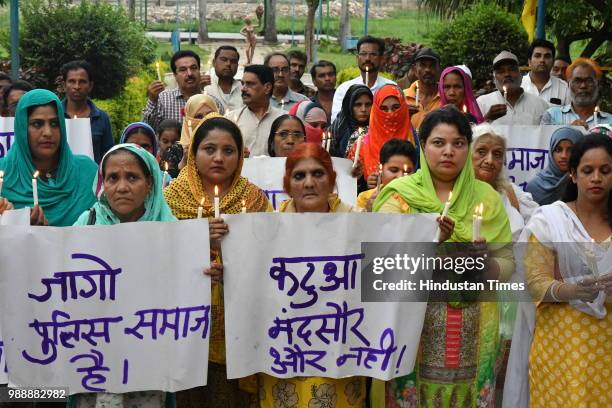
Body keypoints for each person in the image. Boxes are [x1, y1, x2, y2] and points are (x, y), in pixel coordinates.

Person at [373, 107, 513, 408]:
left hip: (475, 330)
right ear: (423, 146)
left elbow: (508, 261)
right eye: (438, 143)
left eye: (458, 143)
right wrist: (429, 243)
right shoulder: (398, 195)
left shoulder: (486, 197)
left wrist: (486, 266)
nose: (449, 151)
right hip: (413, 329)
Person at [164, 117, 271, 406]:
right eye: (209, 149)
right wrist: (197, 240)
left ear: (239, 156)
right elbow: (157, 255)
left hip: (238, 324)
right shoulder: (171, 198)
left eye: (228, 150)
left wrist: (235, 268)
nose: (218, 158)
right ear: (194, 153)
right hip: (183, 325)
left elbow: (270, 255)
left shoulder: (255, 199)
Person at [259, 143, 365, 408]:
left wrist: (432, 238)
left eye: (317, 174)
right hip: (286, 352)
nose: (308, 183)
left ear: (331, 181)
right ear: (287, 184)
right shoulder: (265, 229)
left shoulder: (359, 223)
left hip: (339, 352)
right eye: (299, 176)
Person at [70, 144, 177, 407]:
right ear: (102, 183)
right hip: (95, 357)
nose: (122, 187)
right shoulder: (87, 223)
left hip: (148, 358)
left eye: (132, 177)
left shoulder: (171, 230)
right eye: (113, 178)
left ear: (150, 182)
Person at [520, 133, 611, 407]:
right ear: (572, 174)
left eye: (605, 171)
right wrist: (570, 289)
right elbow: (534, 281)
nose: (596, 178)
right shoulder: (551, 220)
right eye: (587, 170)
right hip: (560, 346)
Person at [0, 89, 97, 226]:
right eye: (37, 124)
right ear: (22, 128)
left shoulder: (87, 171)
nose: (47, 133)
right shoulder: (3, 174)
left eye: (54, 124)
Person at [472, 123, 538, 239]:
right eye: (481, 152)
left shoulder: (511, 193)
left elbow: (539, 226)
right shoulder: (454, 194)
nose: (490, 160)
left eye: (497, 154)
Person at [349, 84, 417, 181]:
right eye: (384, 109)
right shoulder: (360, 144)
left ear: (403, 108)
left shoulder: (417, 140)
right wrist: (366, 185)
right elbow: (348, 184)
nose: (390, 113)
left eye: (396, 107)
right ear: (376, 110)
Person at [60, 60, 114, 163]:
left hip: (94, 177)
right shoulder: (54, 116)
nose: (77, 87)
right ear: (64, 85)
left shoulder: (101, 118)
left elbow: (108, 156)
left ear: (90, 86)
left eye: (82, 81)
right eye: (72, 81)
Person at [143, 50, 213, 130]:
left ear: (199, 71)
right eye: (183, 70)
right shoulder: (162, 100)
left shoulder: (212, 102)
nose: (189, 73)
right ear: (175, 75)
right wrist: (152, 101)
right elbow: (146, 129)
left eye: (193, 68)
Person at [331, 36, 396, 122]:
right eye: (363, 54)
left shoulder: (391, 87)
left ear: (381, 59)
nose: (368, 58)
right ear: (357, 58)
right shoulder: (344, 89)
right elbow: (336, 121)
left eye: (373, 54)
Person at [477, 51, 549, 125]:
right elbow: (472, 133)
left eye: (512, 70)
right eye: (501, 71)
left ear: (520, 75)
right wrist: (487, 118)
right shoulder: (482, 103)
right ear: (494, 78)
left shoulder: (540, 105)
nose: (507, 74)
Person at [225, 64, 284, 156]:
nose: (243, 89)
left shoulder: (283, 119)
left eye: (250, 84)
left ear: (267, 87)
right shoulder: (231, 119)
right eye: (243, 83)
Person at [541, 58, 611, 127]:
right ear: (568, 84)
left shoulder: (609, 121)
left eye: (589, 81)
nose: (583, 86)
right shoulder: (552, 116)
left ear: (598, 84)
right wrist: (569, 131)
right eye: (577, 81)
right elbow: (544, 138)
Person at [526, 127, 583, 205]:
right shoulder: (534, 187)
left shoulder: (583, 183)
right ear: (551, 153)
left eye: (570, 150)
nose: (564, 156)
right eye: (558, 150)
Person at [356, 139, 417, 211]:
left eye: (408, 171)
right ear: (381, 169)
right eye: (394, 170)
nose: (400, 177)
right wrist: (368, 211)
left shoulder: (421, 199)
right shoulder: (364, 198)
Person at [521, 39, 571, 106]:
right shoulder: (519, 85)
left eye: (547, 56)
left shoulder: (564, 88)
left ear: (553, 62)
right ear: (529, 61)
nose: (542, 60)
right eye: (537, 56)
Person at [329, 84, 373, 158]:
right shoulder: (338, 128)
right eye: (358, 105)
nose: (363, 109)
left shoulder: (376, 130)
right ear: (349, 106)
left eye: (368, 104)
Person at [404, 48, 442, 129]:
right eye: (423, 65)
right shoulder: (402, 97)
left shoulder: (446, 98)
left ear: (439, 69)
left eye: (432, 65)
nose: (427, 70)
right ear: (414, 69)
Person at [203, 46, 243, 112]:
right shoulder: (205, 87)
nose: (228, 64)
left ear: (237, 65)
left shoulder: (243, 89)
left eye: (233, 61)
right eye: (224, 60)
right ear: (214, 62)